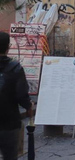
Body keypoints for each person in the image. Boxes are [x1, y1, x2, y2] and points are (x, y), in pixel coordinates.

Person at [0, 31, 34, 160]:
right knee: (10, 156)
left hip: (10, 122)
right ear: (8, 47)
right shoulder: (16, 68)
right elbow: (21, 95)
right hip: (10, 122)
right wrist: (28, 106)